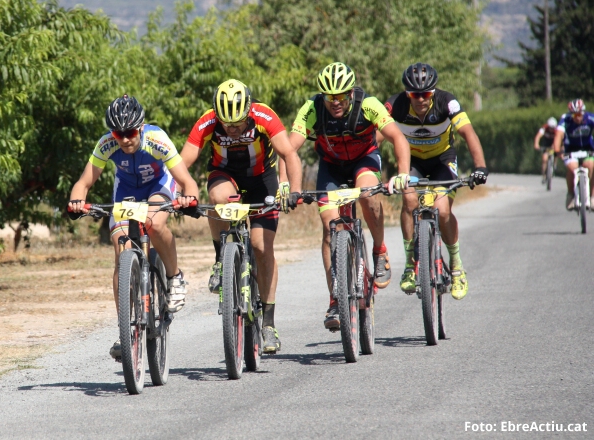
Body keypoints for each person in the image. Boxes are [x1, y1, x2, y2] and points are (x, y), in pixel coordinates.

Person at [68, 95, 200, 360]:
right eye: (119, 134)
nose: (125, 139)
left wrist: (188, 197)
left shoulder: (156, 139)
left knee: (153, 223)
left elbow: (187, 181)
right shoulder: (106, 144)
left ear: (140, 128)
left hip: (158, 187)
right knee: (120, 252)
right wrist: (75, 201)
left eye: (129, 132)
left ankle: (174, 277)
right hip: (126, 192)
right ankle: (125, 330)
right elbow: (84, 182)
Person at [180, 79, 302, 353]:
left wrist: (293, 190)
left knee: (261, 246)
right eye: (227, 124)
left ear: (248, 110)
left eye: (238, 123)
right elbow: (182, 162)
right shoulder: (207, 122)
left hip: (262, 180)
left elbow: (289, 154)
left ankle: (268, 324)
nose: (233, 129)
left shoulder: (263, 115)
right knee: (217, 200)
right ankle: (220, 260)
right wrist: (180, 194)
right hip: (225, 176)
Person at [287, 62, 411, 330]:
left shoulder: (369, 104)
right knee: (329, 229)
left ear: (351, 92)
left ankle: (379, 250)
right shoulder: (312, 108)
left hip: (363, 161)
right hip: (330, 168)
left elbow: (398, 138)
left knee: (367, 195)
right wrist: (289, 185)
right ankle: (335, 298)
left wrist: (401, 174)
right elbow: (289, 147)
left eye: (341, 96)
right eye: (329, 97)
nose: (335, 102)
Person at [384, 62, 488, 301]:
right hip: (413, 162)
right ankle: (411, 265)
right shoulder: (396, 105)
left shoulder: (446, 102)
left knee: (442, 212)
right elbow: (376, 136)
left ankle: (456, 266)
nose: (420, 99)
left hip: (442, 160)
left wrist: (480, 167)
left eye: (426, 94)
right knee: (409, 200)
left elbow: (468, 133)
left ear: (433, 92)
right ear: (407, 93)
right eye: (415, 94)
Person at [553, 99, 594, 210]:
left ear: (583, 112)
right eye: (574, 114)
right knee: (572, 169)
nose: (577, 117)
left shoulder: (591, 118)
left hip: (588, 148)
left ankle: (592, 196)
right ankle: (571, 194)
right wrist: (557, 151)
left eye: (579, 114)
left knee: (590, 166)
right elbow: (558, 135)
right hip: (570, 149)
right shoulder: (565, 120)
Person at [534, 117, 559, 182]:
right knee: (544, 159)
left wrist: (555, 146)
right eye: (550, 127)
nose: (551, 129)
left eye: (552, 128)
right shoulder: (544, 128)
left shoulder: (557, 130)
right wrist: (536, 144)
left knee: (556, 152)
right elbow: (538, 136)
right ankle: (544, 174)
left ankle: (554, 165)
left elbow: (558, 139)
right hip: (546, 144)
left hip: (554, 143)